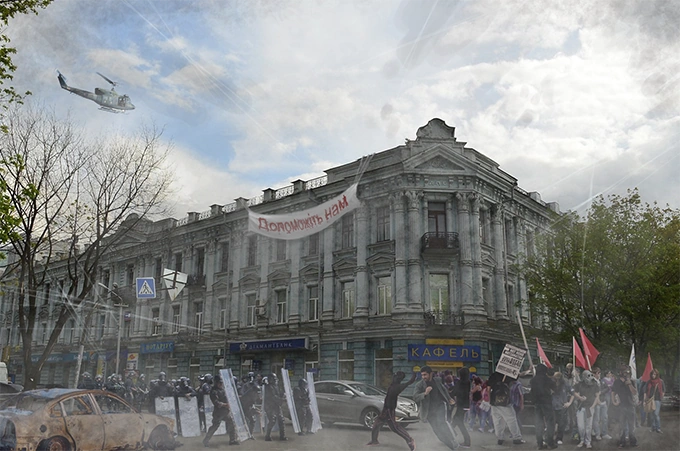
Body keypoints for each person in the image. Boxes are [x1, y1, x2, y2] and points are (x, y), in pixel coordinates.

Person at [413, 365, 459, 450]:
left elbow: (443, 389)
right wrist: (425, 393)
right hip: (429, 411)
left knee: (442, 422)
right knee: (437, 431)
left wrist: (449, 398)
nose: (423, 377)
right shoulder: (419, 385)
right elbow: (415, 397)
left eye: (425, 375)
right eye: (422, 375)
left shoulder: (437, 380)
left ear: (431, 374)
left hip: (440, 406)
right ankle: (451, 446)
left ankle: (453, 440)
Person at [368, 371, 417, 450]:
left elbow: (409, 382)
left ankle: (409, 440)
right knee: (377, 424)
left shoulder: (398, 387)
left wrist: (414, 375)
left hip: (389, 410)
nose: (394, 377)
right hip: (386, 409)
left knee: (394, 427)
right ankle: (374, 441)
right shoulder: (394, 385)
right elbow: (409, 382)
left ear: (398, 378)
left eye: (396, 376)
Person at [487, 372, 525, 446]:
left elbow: (488, 389)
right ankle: (516, 438)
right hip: (505, 402)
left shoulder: (493, 375)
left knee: (497, 421)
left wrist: (490, 400)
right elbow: (518, 375)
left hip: (494, 402)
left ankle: (500, 438)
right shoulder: (508, 374)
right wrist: (529, 370)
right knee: (511, 420)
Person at [203, 373, 239, 447]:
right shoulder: (213, 391)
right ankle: (206, 440)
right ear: (216, 382)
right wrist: (225, 405)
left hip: (226, 412)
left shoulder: (223, 389)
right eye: (219, 383)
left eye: (221, 383)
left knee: (232, 423)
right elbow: (216, 402)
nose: (221, 384)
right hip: (218, 413)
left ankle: (233, 440)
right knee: (215, 426)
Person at [530, 363, 557, 450]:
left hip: (537, 403)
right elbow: (555, 387)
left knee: (539, 423)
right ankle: (550, 443)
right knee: (550, 423)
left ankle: (539, 444)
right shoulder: (547, 379)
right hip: (547, 402)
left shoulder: (533, 380)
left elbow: (531, 392)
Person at [612, 365, 638, 448]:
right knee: (622, 425)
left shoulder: (631, 381)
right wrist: (614, 402)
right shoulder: (617, 382)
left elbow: (634, 392)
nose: (626, 373)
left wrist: (629, 384)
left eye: (627, 372)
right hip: (621, 406)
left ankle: (633, 441)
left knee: (631, 425)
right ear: (621, 372)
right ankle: (622, 441)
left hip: (630, 405)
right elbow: (613, 392)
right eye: (625, 372)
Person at [573, 369, 600, 449]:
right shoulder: (579, 384)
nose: (591, 377)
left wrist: (593, 405)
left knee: (589, 426)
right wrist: (580, 397)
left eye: (591, 375)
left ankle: (588, 441)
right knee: (580, 426)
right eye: (588, 375)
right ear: (584, 376)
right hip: (581, 407)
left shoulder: (595, 384)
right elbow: (574, 392)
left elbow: (597, 395)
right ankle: (582, 439)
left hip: (590, 407)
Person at [449, 367, 471, 448]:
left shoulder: (460, 382)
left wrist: (449, 393)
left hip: (461, 405)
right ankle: (450, 436)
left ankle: (466, 441)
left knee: (459, 422)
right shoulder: (468, 382)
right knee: (456, 421)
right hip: (466, 405)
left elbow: (454, 392)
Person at [263, 372, 287, 441]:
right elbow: (273, 396)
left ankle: (282, 436)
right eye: (274, 379)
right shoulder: (268, 387)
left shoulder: (276, 386)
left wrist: (283, 394)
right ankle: (267, 436)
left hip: (276, 405)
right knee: (272, 420)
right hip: (270, 406)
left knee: (281, 420)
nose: (275, 380)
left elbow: (279, 394)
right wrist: (281, 400)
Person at [551, 371, 573, 446]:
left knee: (561, 424)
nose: (556, 379)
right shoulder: (551, 384)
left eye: (558, 378)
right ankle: (550, 438)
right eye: (555, 378)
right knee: (551, 423)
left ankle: (559, 438)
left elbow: (573, 393)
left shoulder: (565, 384)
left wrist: (569, 403)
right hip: (553, 406)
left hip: (562, 407)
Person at [592, 367, 612, 440]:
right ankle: (597, 434)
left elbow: (607, 388)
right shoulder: (591, 382)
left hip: (603, 401)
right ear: (594, 374)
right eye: (598, 373)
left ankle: (604, 433)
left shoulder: (602, 381)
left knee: (605, 418)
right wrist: (597, 394)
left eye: (600, 373)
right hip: (596, 402)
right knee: (596, 419)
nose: (599, 374)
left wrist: (601, 392)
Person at [239, 372, 260, 436]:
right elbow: (242, 394)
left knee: (252, 420)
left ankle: (250, 434)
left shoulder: (255, 385)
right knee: (245, 420)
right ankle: (243, 434)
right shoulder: (245, 385)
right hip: (245, 405)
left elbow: (258, 391)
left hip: (251, 404)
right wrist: (249, 390)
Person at [644, 368, 664, 433]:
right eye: (652, 374)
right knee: (652, 414)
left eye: (655, 374)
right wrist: (645, 399)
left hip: (657, 399)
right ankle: (653, 427)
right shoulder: (649, 382)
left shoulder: (660, 381)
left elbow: (663, 390)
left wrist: (661, 397)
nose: (653, 375)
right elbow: (645, 391)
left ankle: (658, 428)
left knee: (656, 414)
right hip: (650, 400)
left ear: (657, 375)